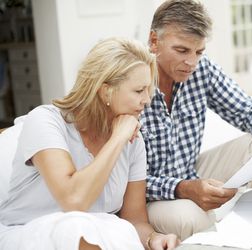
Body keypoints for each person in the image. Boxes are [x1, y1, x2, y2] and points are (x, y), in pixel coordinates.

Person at [140, 0, 252, 240]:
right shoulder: (129, 83)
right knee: (192, 217)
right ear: (154, 41)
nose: (192, 62)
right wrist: (182, 189)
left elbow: (249, 109)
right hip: (147, 196)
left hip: (189, 172)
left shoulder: (201, 70)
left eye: (199, 52)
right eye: (182, 50)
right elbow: (121, 183)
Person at [0, 38, 179, 250]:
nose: (147, 100)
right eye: (139, 91)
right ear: (106, 91)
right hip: (28, 233)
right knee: (76, 228)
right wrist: (117, 139)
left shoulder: (133, 142)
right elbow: (74, 200)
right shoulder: (45, 121)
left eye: (148, 90)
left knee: (115, 230)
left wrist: (153, 238)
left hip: (95, 234)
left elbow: (135, 221)